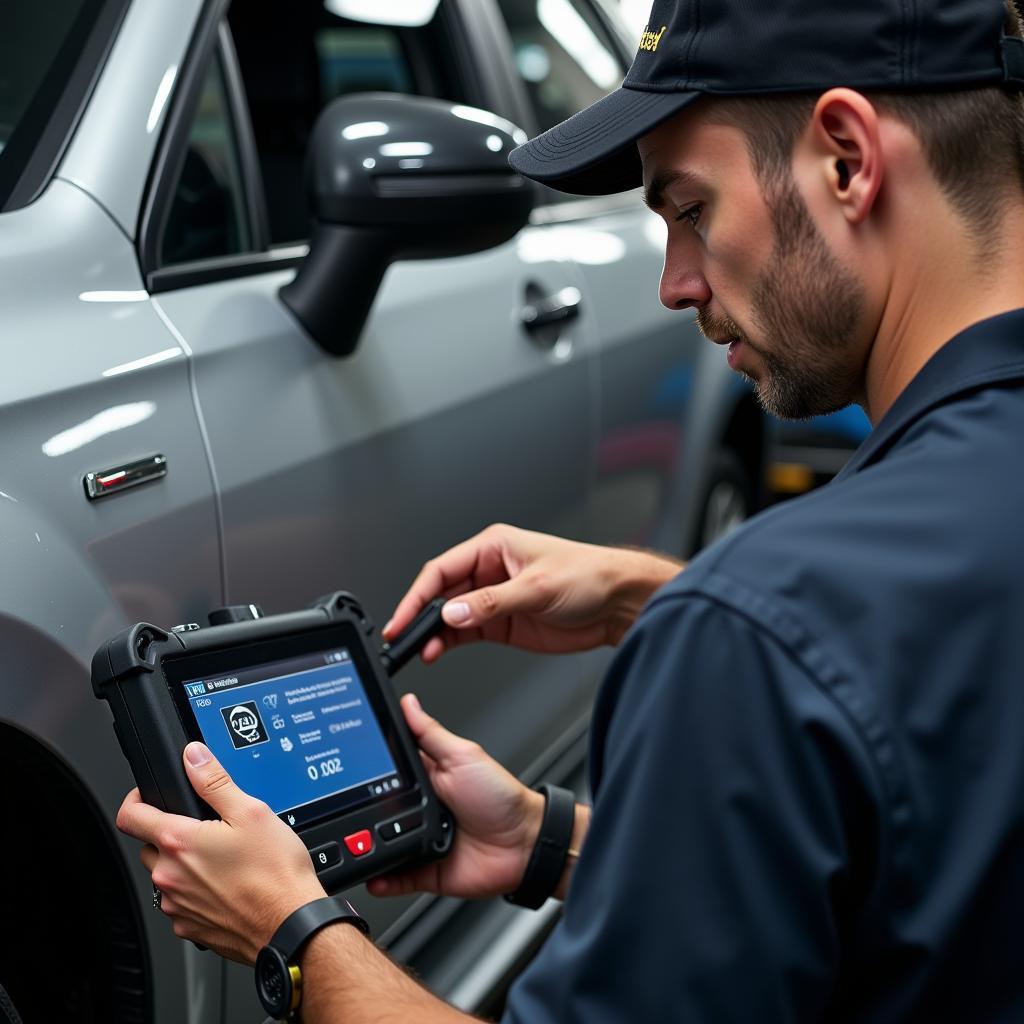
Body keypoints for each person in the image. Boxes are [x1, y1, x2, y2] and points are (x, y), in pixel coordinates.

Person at [117, 0, 1024, 1019]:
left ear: (848, 160)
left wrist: (291, 929)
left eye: (687, 209)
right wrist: (560, 832)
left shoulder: (753, 636)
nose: (674, 283)